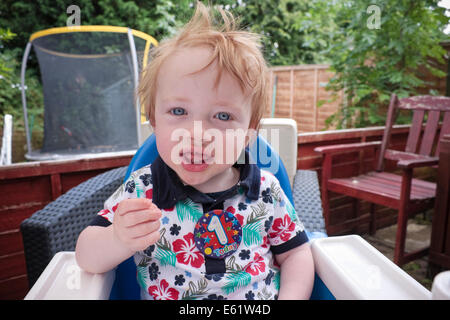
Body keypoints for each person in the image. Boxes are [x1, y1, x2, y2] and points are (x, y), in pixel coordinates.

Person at [75, 2, 314, 300]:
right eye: (178, 110)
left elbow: (297, 255)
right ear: (155, 123)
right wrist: (117, 239)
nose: (197, 134)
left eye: (223, 116)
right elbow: (86, 255)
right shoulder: (143, 190)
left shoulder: (266, 191)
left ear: (248, 134)